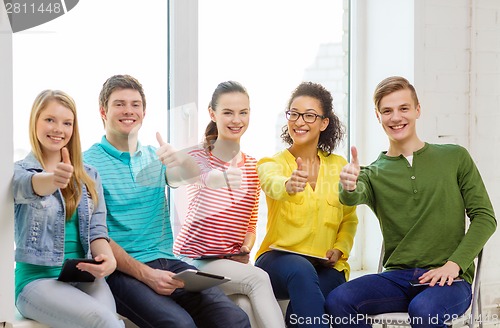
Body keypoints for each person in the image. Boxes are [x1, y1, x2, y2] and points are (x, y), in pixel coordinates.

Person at [326, 76, 497, 328]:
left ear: (417, 109)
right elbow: (351, 195)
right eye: (387, 111)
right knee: (338, 300)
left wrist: (454, 265)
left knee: (423, 309)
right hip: (397, 278)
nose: (396, 117)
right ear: (378, 116)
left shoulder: (455, 157)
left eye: (403, 108)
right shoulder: (372, 173)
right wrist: (348, 183)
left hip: (450, 280)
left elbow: (485, 217)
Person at [84, 74, 250, 328]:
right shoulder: (87, 164)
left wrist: (179, 158)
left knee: (234, 318)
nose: (129, 110)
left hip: (169, 262)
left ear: (144, 111)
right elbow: (96, 234)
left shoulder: (156, 157)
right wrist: (146, 274)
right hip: (122, 270)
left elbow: (187, 176)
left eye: (135, 104)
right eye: (120, 104)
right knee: (179, 325)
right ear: (103, 111)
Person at [173, 81, 286, 328]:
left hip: (228, 264)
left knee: (244, 306)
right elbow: (200, 175)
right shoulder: (197, 157)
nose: (237, 120)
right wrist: (217, 177)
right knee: (258, 279)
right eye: (228, 112)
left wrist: (245, 247)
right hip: (194, 262)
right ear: (212, 114)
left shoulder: (253, 167)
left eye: (243, 112)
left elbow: (250, 224)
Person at [13, 90, 122, 328]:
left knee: (112, 322)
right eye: (50, 120)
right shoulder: (18, 172)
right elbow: (29, 187)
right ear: (35, 122)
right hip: (36, 282)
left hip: (82, 276)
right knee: (106, 323)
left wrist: (109, 260)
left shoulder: (90, 175)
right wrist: (53, 179)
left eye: (67, 123)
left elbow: (97, 230)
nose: (58, 129)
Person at [254, 81, 358, 328]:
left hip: (325, 265)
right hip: (277, 261)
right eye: (294, 113)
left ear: (324, 123)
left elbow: (349, 218)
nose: (300, 121)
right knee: (300, 270)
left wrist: (340, 249)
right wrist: (288, 185)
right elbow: (271, 183)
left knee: (308, 310)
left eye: (310, 115)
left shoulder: (338, 165)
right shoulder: (272, 162)